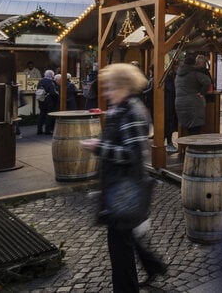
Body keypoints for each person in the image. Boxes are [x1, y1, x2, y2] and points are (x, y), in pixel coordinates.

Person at [79, 63, 167, 291]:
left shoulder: (131, 112)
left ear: (123, 86)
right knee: (127, 236)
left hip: (126, 188)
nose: (106, 92)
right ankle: (153, 266)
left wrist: (99, 147)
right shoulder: (121, 109)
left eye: (110, 87)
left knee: (119, 246)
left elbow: (133, 154)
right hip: (118, 185)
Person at [174, 54, 212, 136]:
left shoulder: (178, 74)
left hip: (179, 104)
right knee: (195, 131)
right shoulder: (194, 73)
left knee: (186, 130)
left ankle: (185, 148)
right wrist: (202, 92)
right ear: (193, 64)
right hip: (193, 104)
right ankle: (192, 148)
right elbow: (207, 82)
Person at [37, 70, 59, 135]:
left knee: (41, 115)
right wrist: (57, 94)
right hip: (49, 101)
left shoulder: (41, 81)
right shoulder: (50, 82)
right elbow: (52, 92)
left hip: (41, 100)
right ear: (51, 75)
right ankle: (47, 130)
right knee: (49, 116)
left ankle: (39, 130)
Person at [162, 66, 178, 152]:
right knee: (168, 124)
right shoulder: (167, 78)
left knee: (169, 124)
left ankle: (168, 142)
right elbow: (171, 89)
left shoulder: (170, 77)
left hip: (170, 103)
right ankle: (168, 143)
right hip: (168, 104)